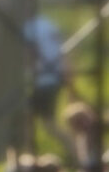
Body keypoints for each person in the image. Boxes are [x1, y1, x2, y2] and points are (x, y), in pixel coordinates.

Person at [23, 11, 78, 161]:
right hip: (54, 78)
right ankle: (76, 153)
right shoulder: (47, 24)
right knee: (42, 123)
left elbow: (29, 54)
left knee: (44, 124)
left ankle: (30, 158)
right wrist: (68, 77)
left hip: (42, 80)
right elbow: (63, 52)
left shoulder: (27, 28)